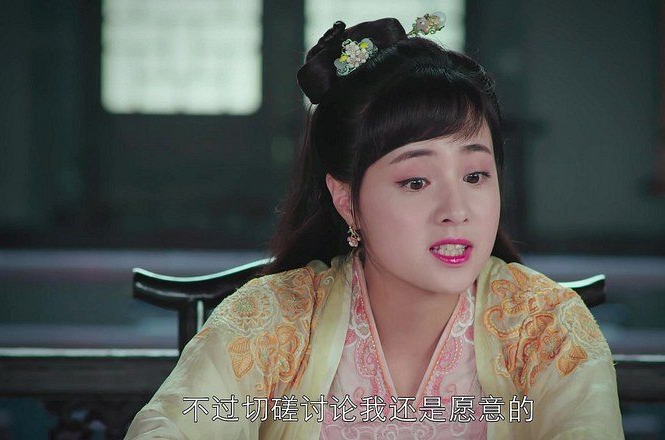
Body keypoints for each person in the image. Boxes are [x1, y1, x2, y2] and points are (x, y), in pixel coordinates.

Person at [125, 13, 624, 439]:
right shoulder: (275, 320)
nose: (456, 210)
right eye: (415, 181)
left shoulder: (545, 327)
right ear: (347, 200)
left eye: (475, 175)